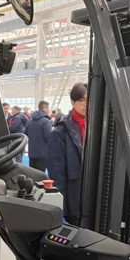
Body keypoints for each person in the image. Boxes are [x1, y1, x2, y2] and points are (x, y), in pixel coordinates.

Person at [47, 83, 87, 223]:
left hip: (93, 194)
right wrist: (62, 207)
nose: (85, 104)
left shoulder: (99, 127)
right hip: (73, 196)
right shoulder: (61, 132)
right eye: (81, 100)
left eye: (88, 100)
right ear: (73, 102)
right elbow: (57, 173)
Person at [25, 100, 52, 172]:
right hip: (42, 153)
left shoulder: (30, 121)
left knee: (33, 174)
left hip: (31, 152)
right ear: (45, 108)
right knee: (41, 175)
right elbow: (48, 137)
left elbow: (25, 134)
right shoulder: (46, 121)